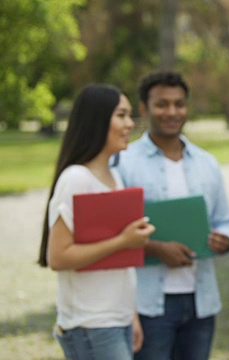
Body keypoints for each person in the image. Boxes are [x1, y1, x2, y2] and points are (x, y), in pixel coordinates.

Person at [116, 71, 229, 360]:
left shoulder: (207, 163)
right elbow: (114, 233)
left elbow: (225, 220)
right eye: (162, 104)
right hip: (147, 304)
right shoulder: (123, 162)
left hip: (201, 303)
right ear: (144, 108)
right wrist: (157, 248)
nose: (172, 112)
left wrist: (225, 240)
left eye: (179, 104)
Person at [38, 84, 156, 359]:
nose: (130, 124)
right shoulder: (76, 179)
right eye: (121, 115)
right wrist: (123, 241)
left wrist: (132, 315)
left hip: (117, 320)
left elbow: (119, 263)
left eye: (129, 115)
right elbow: (58, 256)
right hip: (90, 324)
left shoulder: (116, 178)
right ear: (97, 119)